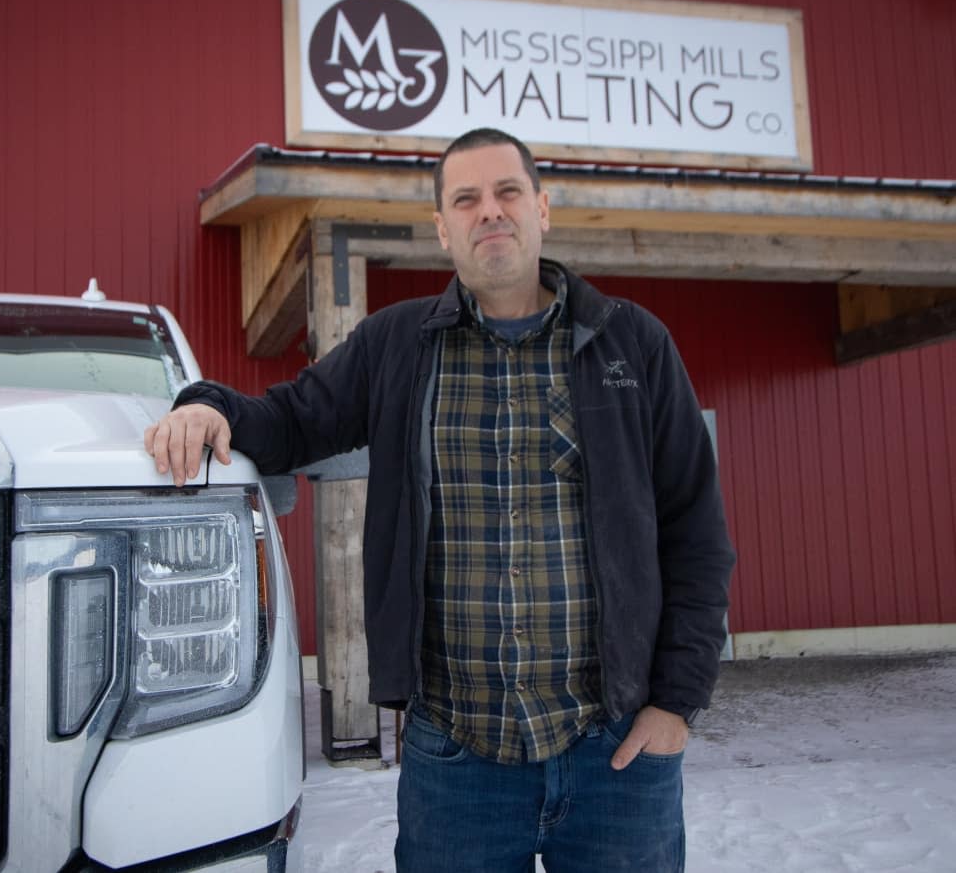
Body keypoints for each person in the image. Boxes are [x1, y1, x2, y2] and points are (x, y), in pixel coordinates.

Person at [145, 127, 735, 872]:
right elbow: (293, 418)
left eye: (507, 192)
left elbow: (697, 534)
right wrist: (208, 406)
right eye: (467, 199)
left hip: (614, 753)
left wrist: (675, 704)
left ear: (543, 209)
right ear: (443, 229)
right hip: (459, 766)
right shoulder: (398, 346)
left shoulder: (633, 346)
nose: (489, 211)